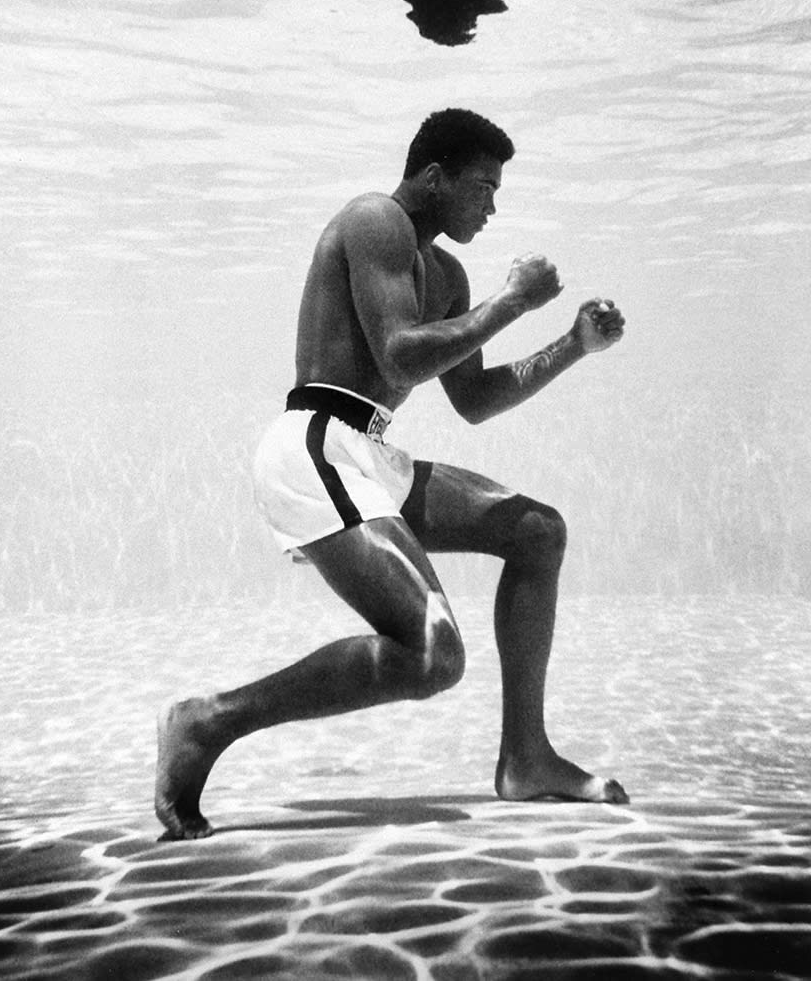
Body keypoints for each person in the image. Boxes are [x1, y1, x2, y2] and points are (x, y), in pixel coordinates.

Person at [155, 107, 628, 840]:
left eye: (498, 190)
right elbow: (401, 354)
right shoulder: (375, 220)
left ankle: (527, 758)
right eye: (481, 186)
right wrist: (512, 302)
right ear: (433, 176)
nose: (492, 205)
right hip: (314, 443)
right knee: (434, 656)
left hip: (370, 452)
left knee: (537, 532)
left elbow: (473, 399)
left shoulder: (446, 273)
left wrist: (571, 344)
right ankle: (209, 721)